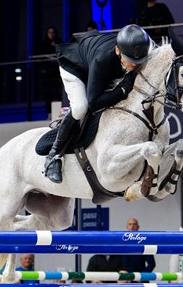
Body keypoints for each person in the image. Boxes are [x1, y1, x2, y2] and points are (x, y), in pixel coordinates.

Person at [45, 24, 151, 183]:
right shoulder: (102, 60)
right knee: (81, 107)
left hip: (98, 62)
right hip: (75, 66)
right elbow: (94, 103)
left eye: (138, 60)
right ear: (118, 50)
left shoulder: (140, 46)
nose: (135, 65)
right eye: (131, 60)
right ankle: (53, 156)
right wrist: (122, 90)